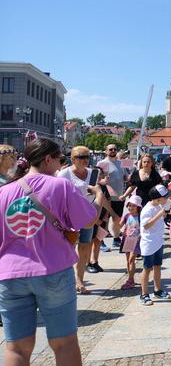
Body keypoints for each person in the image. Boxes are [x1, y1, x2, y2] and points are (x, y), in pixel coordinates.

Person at [0, 138, 103, 366]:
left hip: (11, 275)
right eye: (59, 159)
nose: (61, 165)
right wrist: (98, 198)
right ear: (48, 159)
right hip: (52, 269)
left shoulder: (3, 192)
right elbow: (88, 221)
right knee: (64, 343)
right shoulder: (60, 186)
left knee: (16, 347)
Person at [56, 146, 102, 294]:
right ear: (73, 159)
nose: (85, 160)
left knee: (84, 248)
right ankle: (66, 280)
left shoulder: (93, 173)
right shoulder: (64, 174)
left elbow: (98, 194)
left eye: (87, 157)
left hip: (88, 216)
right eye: (81, 157)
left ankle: (80, 280)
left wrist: (106, 214)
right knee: (68, 248)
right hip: (69, 217)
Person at [139, 185, 171, 306]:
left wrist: (165, 209)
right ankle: (144, 294)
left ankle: (157, 290)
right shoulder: (147, 209)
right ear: (158, 199)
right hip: (149, 243)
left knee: (157, 266)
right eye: (165, 197)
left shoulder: (159, 205)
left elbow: (165, 210)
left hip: (158, 241)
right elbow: (146, 225)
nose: (167, 198)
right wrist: (161, 213)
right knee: (147, 268)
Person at [97, 143, 127, 249]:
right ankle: (100, 241)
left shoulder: (121, 163)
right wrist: (102, 181)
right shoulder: (102, 163)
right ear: (106, 151)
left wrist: (128, 178)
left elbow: (125, 176)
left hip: (119, 196)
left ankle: (116, 238)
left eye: (115, 149)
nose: (113, 151)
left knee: (117, 219)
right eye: (110, 149)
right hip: (107, 197)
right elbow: (96, 179)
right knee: (104, 219)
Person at [119, 195, 142, 289]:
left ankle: (131, 280)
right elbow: (120, 225)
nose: (130, 207)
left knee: (131, 260)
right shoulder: (127, 216)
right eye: (129, 205)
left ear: (138, 207)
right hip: (127, 239)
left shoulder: (141, 217)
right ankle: (130, 278)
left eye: (133, 205)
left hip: (136, 240)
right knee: (128, 261)